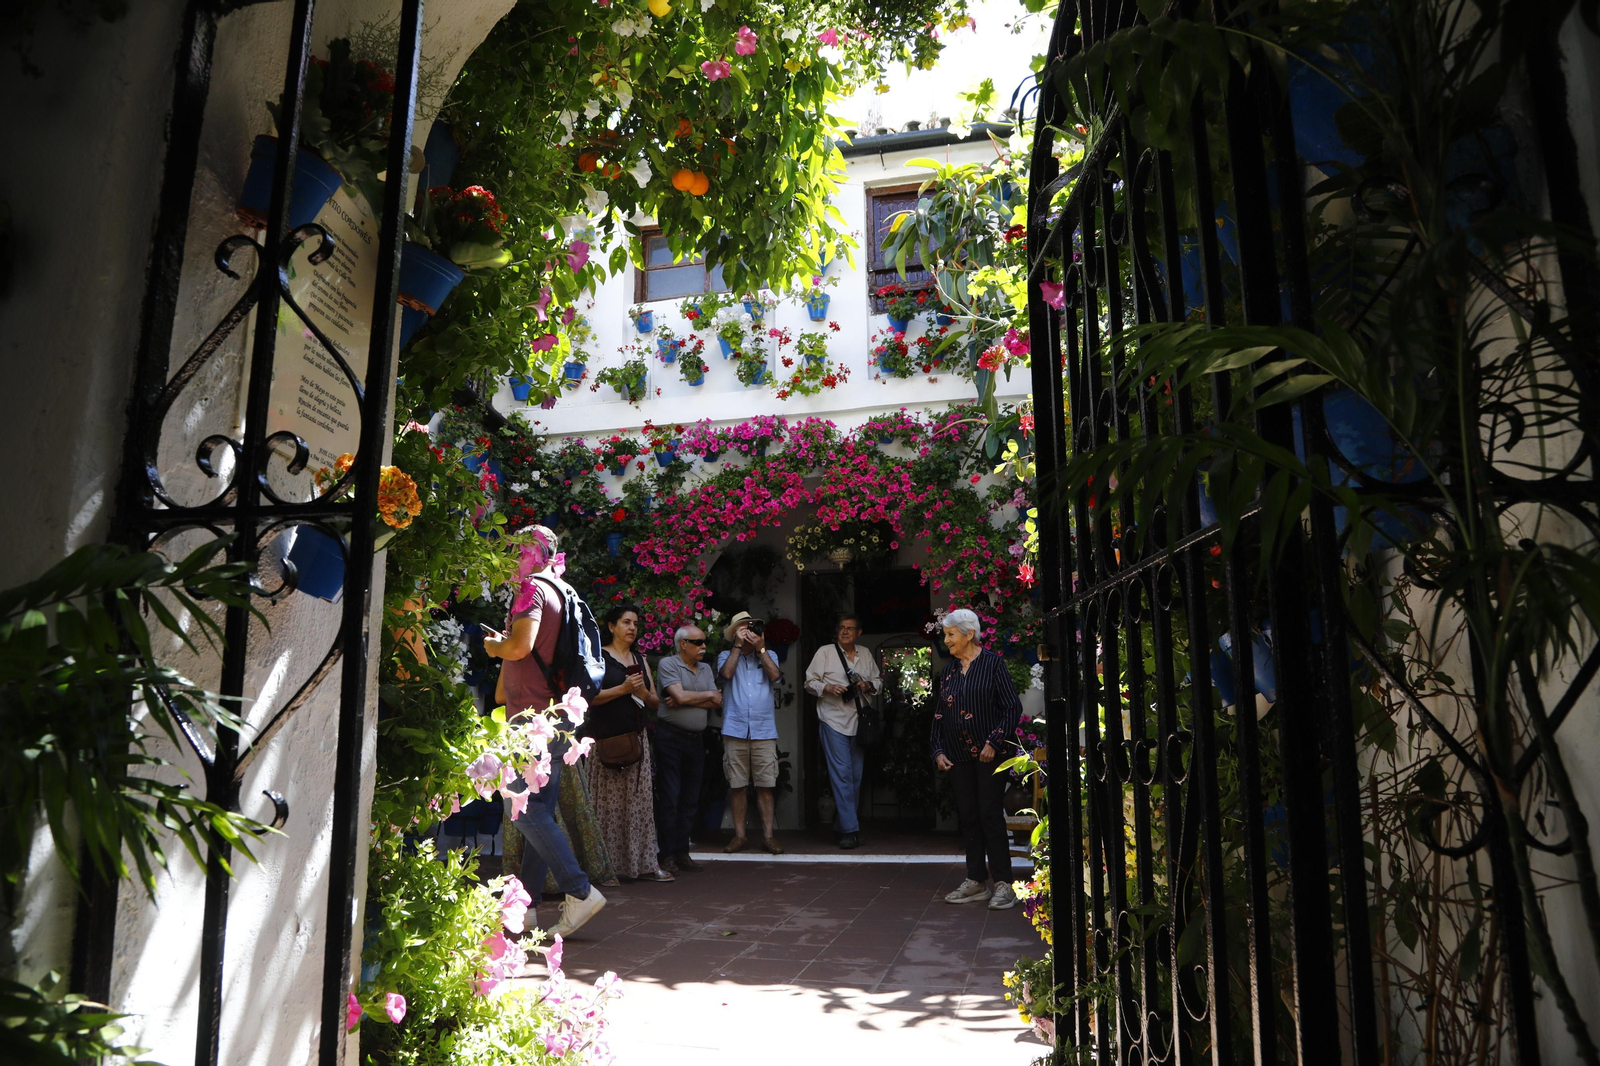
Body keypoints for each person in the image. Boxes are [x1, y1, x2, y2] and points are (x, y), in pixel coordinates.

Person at [482, 526, 607, 938]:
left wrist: (495, 647)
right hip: (551, 717)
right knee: (538, 810)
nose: (510, 555)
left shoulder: (530, 589)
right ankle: (528, 907)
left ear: (531, 552)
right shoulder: (559, 589)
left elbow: (519, 648)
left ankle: (580, 890)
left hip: (532, 724)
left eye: (516, 548)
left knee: (526, 809)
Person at [932, 608, 1023, 910]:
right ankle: (975, 880)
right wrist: (938, 749)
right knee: (969, 816)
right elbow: (939, 715)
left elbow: (1012, 708)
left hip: (989, 756)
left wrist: (995, 742)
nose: (946, 641)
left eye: (950, 634)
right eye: (946, 635)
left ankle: (1004, 884)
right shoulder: (948, 672)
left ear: (969, 634)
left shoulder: (994, 665)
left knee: (989, 815)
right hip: (958, 756)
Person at [584, 603, 675, 882]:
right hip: (605, 741)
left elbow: (655, 701)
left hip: (636, 740)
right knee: (606, 808)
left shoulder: (639, 658)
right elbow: (589, 696)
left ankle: (644, 864)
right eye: (626, 622)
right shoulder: (598, 656)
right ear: (611, 627)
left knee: (639, 805)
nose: (632, 628)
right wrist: (622, 689)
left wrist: (642, 692)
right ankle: (605, 869)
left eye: (635, 623)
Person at [803, 614, 882, 849]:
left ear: (859, 633)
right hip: (833, 720)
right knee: (842, 775)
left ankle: (840, 826)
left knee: (855, 777)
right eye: (841, 628)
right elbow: (808, 683)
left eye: (850, 628)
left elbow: (878, 681)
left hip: (859, 723)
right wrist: (827, 687)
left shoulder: (865, 654)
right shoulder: (825, 652)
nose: (845, 632)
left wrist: (868, 685)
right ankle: (850, 830)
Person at [653, 625, 721, 873]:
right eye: (698, 642)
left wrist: (684, 697)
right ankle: (667, 855)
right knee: (671, 796)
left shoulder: (704, 667)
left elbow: (717, 699)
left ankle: (682, 852)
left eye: (704, 642)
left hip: (696, 740)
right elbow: (683, 698)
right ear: (683, 644)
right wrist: (703, 697)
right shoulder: (668, 665)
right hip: (671, 739)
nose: (704, 646)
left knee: (690, 798)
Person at [716, 611, 783, 854]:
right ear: (734, 633)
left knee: (766, 785)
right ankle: (740, 837)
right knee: (737, 786)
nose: (749, 631)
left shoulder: (769, 654)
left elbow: (775, 675)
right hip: (735, 730)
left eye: (752, 627)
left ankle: (768, 837)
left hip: (764, 731)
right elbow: (726, 674)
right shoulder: (726, 655)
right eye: (743, 627)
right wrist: (737, 645)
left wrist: (761, 648)